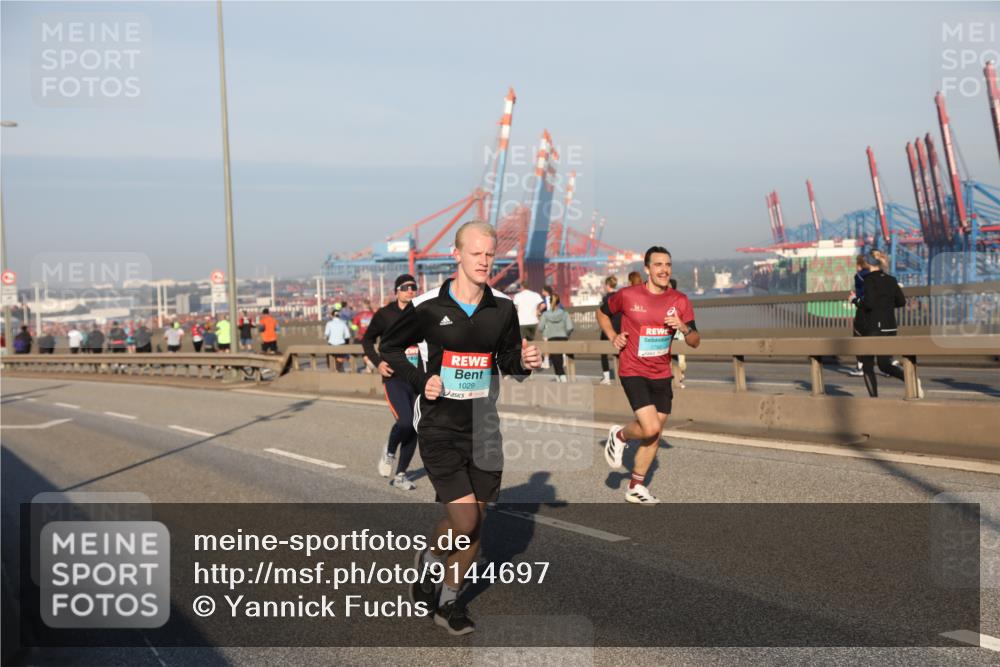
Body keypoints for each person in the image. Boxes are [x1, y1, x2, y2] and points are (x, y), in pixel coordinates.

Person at [380, 220, 541, 635]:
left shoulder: (502, 308)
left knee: (473, 524)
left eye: (490, 254)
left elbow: (505, 359)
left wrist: (524, 362)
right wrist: (421, 381)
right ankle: (436, 571)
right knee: (466, 521)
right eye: (476, 254)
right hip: (439, 427)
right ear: (457, 255)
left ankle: (447, 597)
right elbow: (391, 349)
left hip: (484, 426)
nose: (485, 261)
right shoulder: (429, 307)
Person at [597, 246, 701, 504]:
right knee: (650, 426)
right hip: (633, 369)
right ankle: (620, 435)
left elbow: (695, 342)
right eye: (658, 265)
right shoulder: (628, 295)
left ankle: (635, 486)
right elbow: (602, 312)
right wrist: (613, 336)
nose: (664, 269)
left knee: (655, 434)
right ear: (647, 269)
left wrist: (683, 327)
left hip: (661, 372)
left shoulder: (680, 300)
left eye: (667, 264)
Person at [362, 274, 421, 491]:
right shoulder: (384, 315)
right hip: (394, 377)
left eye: (413, 287)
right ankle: (389, 449)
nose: (410, 291)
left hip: (417, 378)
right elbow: (367, 340)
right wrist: (378, 363)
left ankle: (401, 475)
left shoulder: (421, 313)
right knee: (405, 422)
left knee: (415, 426)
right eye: (405, 287)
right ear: (397, 290)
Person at [857, 250, 923, 399]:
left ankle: (874, 399)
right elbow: (901, 302)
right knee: (884, 364)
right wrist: (885, 305)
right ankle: (911, 381)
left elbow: (869, 303)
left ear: (868, 263)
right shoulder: (891, 280)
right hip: (891, 326)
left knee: (867, 364)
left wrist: (855, 301)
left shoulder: (868, 280)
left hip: (875, 326)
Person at [538, 293, 574, 382]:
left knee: (555, 358)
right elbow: (570, 327)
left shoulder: (546, 314)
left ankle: (560, 375)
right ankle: (560, 376)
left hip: (551, 338)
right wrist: (566, 334)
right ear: (559, 302)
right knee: (560, 357)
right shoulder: (564, 313)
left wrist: (547, 332)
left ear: (550, 303)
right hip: (563, 337)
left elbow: (540, 327)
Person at [847, 254, 870, 378]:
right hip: (878, 312)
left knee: (858, 336)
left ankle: (861, 366)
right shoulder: (880, 275)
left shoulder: (859, 276)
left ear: (859, 264)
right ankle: (887, 365)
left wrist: (854, 298)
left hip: (863, 310)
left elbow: (862, 295)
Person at [598, 275, 620, 385]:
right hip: (619, 327)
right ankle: (621, 375)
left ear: (607, 285)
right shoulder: (620, 297)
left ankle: (606, 378)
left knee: (603, 352)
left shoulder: (606, 299)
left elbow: (602, 314)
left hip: (608, 328)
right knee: (620, 353)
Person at [669, 279, 688, 388]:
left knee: (681, 359)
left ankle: (680, 377)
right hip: (670, 335)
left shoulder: (679, 300)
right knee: (672, 359)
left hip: (679, 334)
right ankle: (677, 379)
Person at [324, 307, 352, 371]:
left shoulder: (329, 324)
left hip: (331, 344)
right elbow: (347, 336)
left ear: (332, 315)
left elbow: (326, 335)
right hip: (341, 344)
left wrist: (327, 338)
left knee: (330, 360)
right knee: (340, 361)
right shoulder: (343, 323)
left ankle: (332, 371)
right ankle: (340, 370)